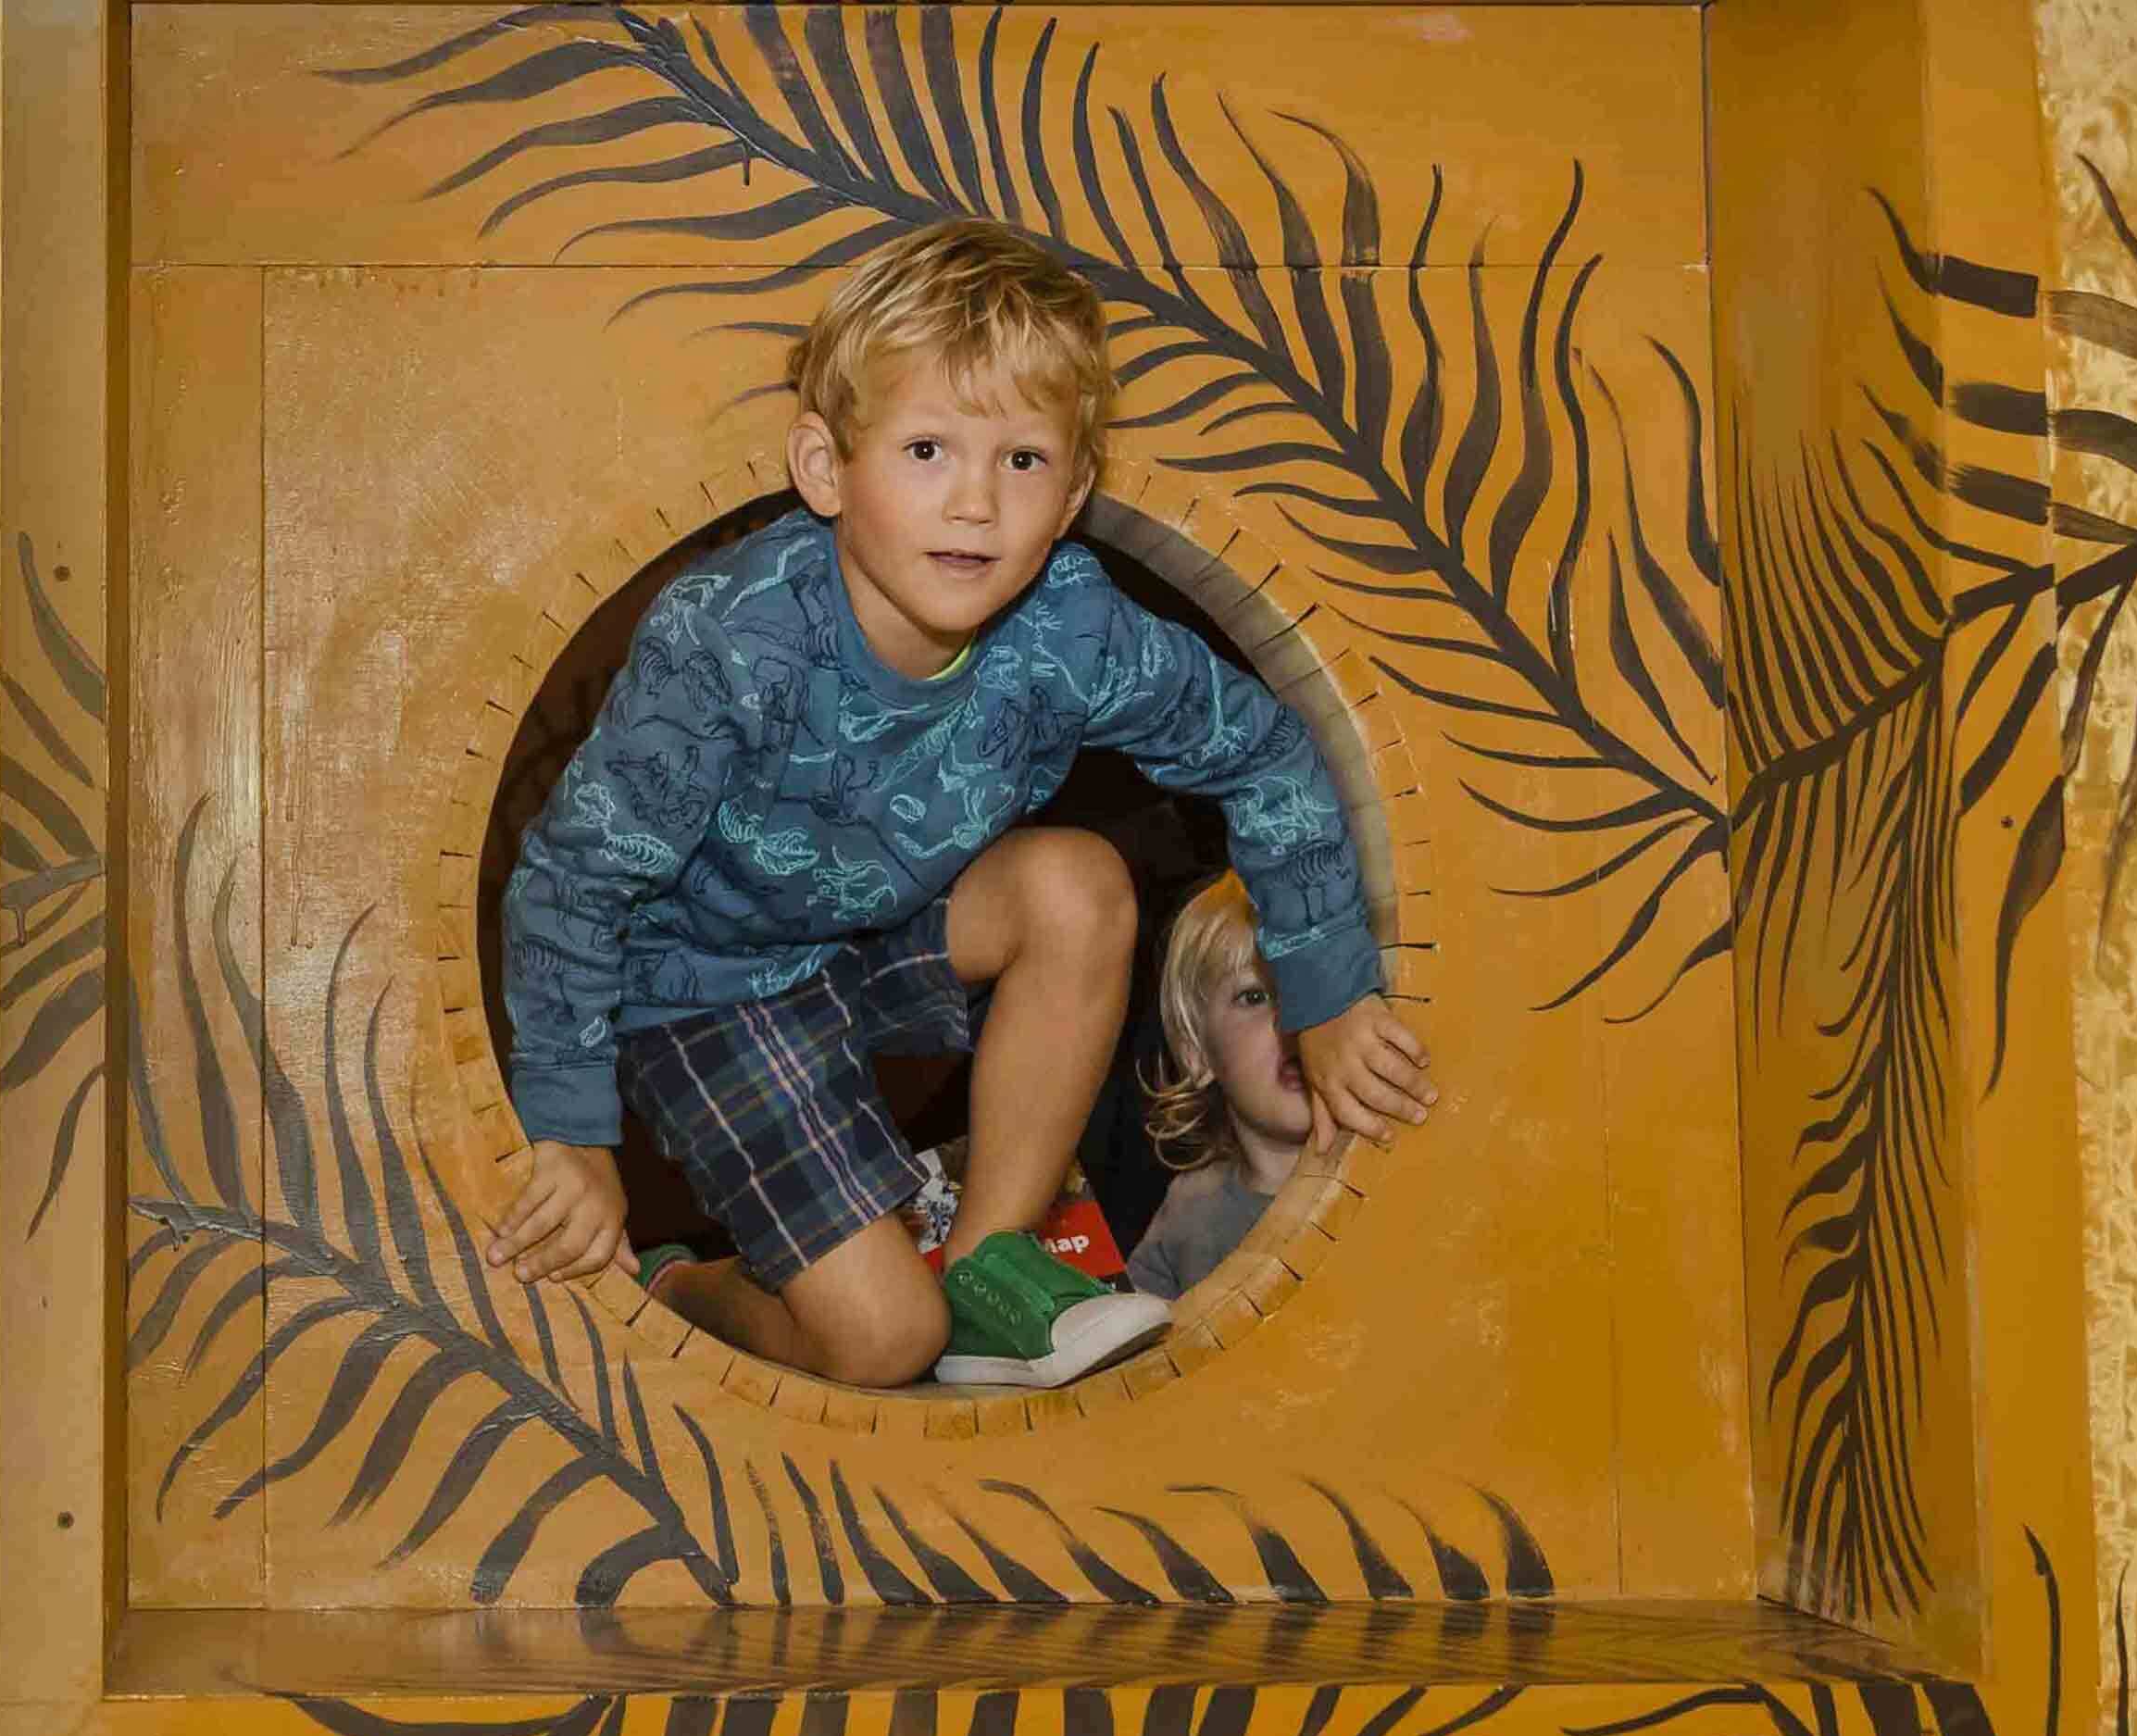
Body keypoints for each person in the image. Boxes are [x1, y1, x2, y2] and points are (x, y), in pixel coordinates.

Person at [484, 219, 1432, 1389]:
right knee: (884, 1343)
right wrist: (573, 1137)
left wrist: (1328, 992)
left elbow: (1269, 752)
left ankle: (992, 1268)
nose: (976, 503)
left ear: (1076, 492)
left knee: (1077, 883)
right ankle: (694, 1289)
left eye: (1022, 461)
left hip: (880, 938)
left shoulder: (1070, 632)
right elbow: (576, 881)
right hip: (701, 985)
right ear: (828, 469)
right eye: (928, 449)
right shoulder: (731, 645)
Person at [1124, 875, 1312, 1301]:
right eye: (1254, 996)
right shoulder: (1190, 1211)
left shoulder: (1393, 1165)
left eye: (1309, 985)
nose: (1292, 1017)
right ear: (1197, 1053)